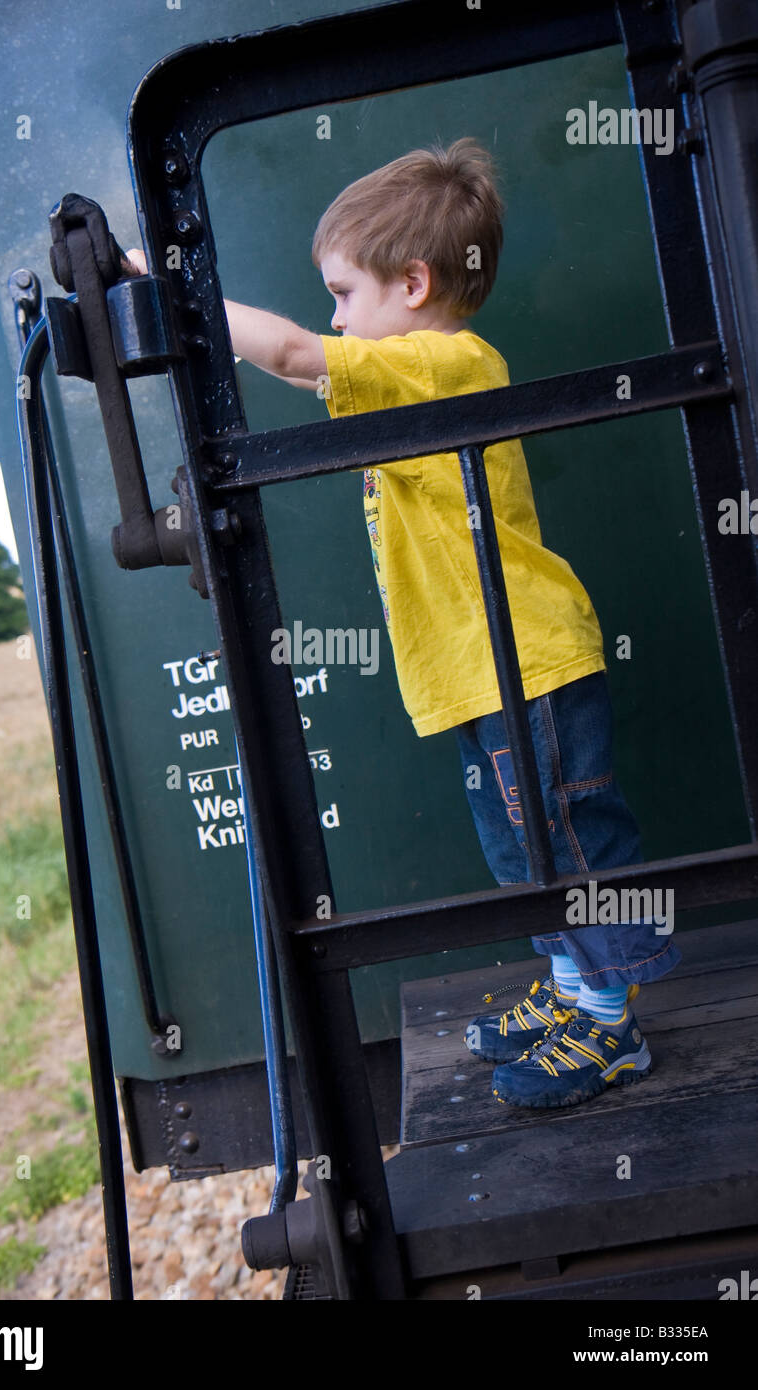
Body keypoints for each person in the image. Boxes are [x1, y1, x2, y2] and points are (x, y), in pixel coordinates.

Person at [126, 136, 680, 1109]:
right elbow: (311, 370)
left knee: (560, 838)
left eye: (345, 293)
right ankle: (571, 988)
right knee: (521, 847)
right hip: (479, 671)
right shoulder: (409, 368)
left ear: (414, 284)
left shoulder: (446, 360)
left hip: (524, 661)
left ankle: (610, 1020)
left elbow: (299, 352)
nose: (336, 317)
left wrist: (154, 281)